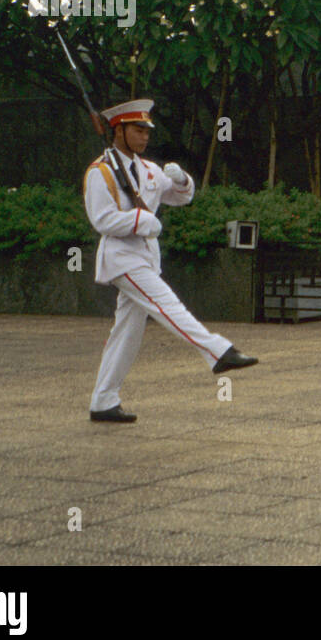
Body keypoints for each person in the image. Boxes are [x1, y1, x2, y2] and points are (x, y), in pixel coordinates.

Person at [84, 99, 258, 423]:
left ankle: (103, 400)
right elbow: (102, 219)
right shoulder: (101, 172)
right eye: (137, 131)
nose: (145, 137)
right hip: (122, 258)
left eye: (147, 131)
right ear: (118, 131)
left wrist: (181, 180)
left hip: (146, 257)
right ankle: (218, 351)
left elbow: (181, 198)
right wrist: (140, 221)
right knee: (168, 305)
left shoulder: (148, 169)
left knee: (127, 333)